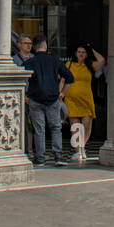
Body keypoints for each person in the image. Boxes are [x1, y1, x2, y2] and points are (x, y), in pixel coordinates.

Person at [24, 36, 73, 167]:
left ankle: (40, 158)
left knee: (39, 129)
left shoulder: (30, 62)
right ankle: (58, 156)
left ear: (34, 47)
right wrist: (62, 93)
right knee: (56, 128)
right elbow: (69, 77)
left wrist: (25, 95)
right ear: (45, 46)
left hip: (35, 99)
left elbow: (21, 79)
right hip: (52, 99)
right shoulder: (54, 61)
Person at [63, 44, 105, 161]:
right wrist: (60, 94)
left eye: (83, 52)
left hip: (86, 99)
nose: (81, 54)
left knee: (86, 124)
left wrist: (91, 49)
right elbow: (63, 80)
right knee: (75, 126)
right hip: (71, 99)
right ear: (75, 53)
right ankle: (77, 151)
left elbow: (102, 60)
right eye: (79, 51)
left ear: (86, 55)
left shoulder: (90, 66)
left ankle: (82, 146)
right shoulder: (69, 65)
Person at [13, 34, 34, 157]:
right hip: (23, 95)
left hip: (35, 95)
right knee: (24, 124)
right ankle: (25, 150)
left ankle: (37, 151)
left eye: (30, 44)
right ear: (19, 45)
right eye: (26, 43)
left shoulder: (34, 58)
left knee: (37, 125)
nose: (28, 46)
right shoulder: (14, 60)